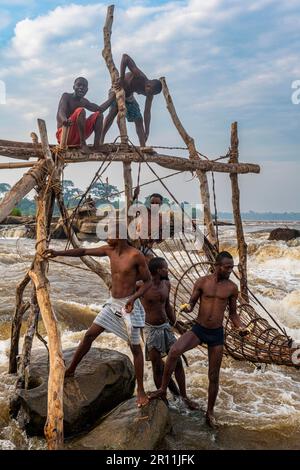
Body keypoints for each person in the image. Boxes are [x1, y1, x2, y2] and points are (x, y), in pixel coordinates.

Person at [44, 223, 152, 408]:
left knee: (135, 348)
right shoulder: (109, 251)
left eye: (109, 233)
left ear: (120, 235)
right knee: (90, 335)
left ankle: (140, 390)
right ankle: (71, 370)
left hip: (129, 306)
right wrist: (58, 253)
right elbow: (83, 251)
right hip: (112, 304)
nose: (106, 237)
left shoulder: (135, 255)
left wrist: (134, 298)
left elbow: (148, 282)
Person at [149, 251, 251, 427]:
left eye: (231, 268)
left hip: (216, 334)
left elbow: (233, 314)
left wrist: (240, 327)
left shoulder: (232, 288)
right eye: (227, 267)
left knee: (213, 375)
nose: (229, 270)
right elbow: (191, 304)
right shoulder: (202, 282)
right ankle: (162, 390)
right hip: (199, 329)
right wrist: (186, 308)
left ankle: (210, 412)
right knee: (174, 352)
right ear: (217, 266)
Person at [142, 257, 198, 410]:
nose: (167, 270)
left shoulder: (166, 284)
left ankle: (184, 397)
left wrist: (177, 325)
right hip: (151, 329)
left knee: (177, 361)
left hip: (166, 327)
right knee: (157, 367)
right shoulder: (142, 286)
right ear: (158, 270)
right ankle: (163, 398)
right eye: (165, 268)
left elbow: (167, 307)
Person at [101, 54, 162, 147]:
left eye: (151, 93)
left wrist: (147, 131)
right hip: (117, 89)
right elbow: (125, 57)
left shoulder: (150, 95)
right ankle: (100, 140)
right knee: (113, 111)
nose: (148, 92)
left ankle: (143, 146)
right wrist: (121, 78)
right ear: (148, 83)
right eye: (148, 88)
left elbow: (147, 112)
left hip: (129, 96)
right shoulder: (139, 75)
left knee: (138, 118)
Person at [56, 77, 115, 154]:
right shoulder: (66, 96)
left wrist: (113, 97)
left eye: (84, 86)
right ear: (74, 87)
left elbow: (100, 109)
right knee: (80, 110)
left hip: (77, 137)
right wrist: (64, 120)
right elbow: (61, 111)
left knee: (99, 115)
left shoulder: (84, 101)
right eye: (79, 85)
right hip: (64, 135)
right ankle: (83, 144)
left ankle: (96, 145)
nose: (81, 88)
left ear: (87, 90)